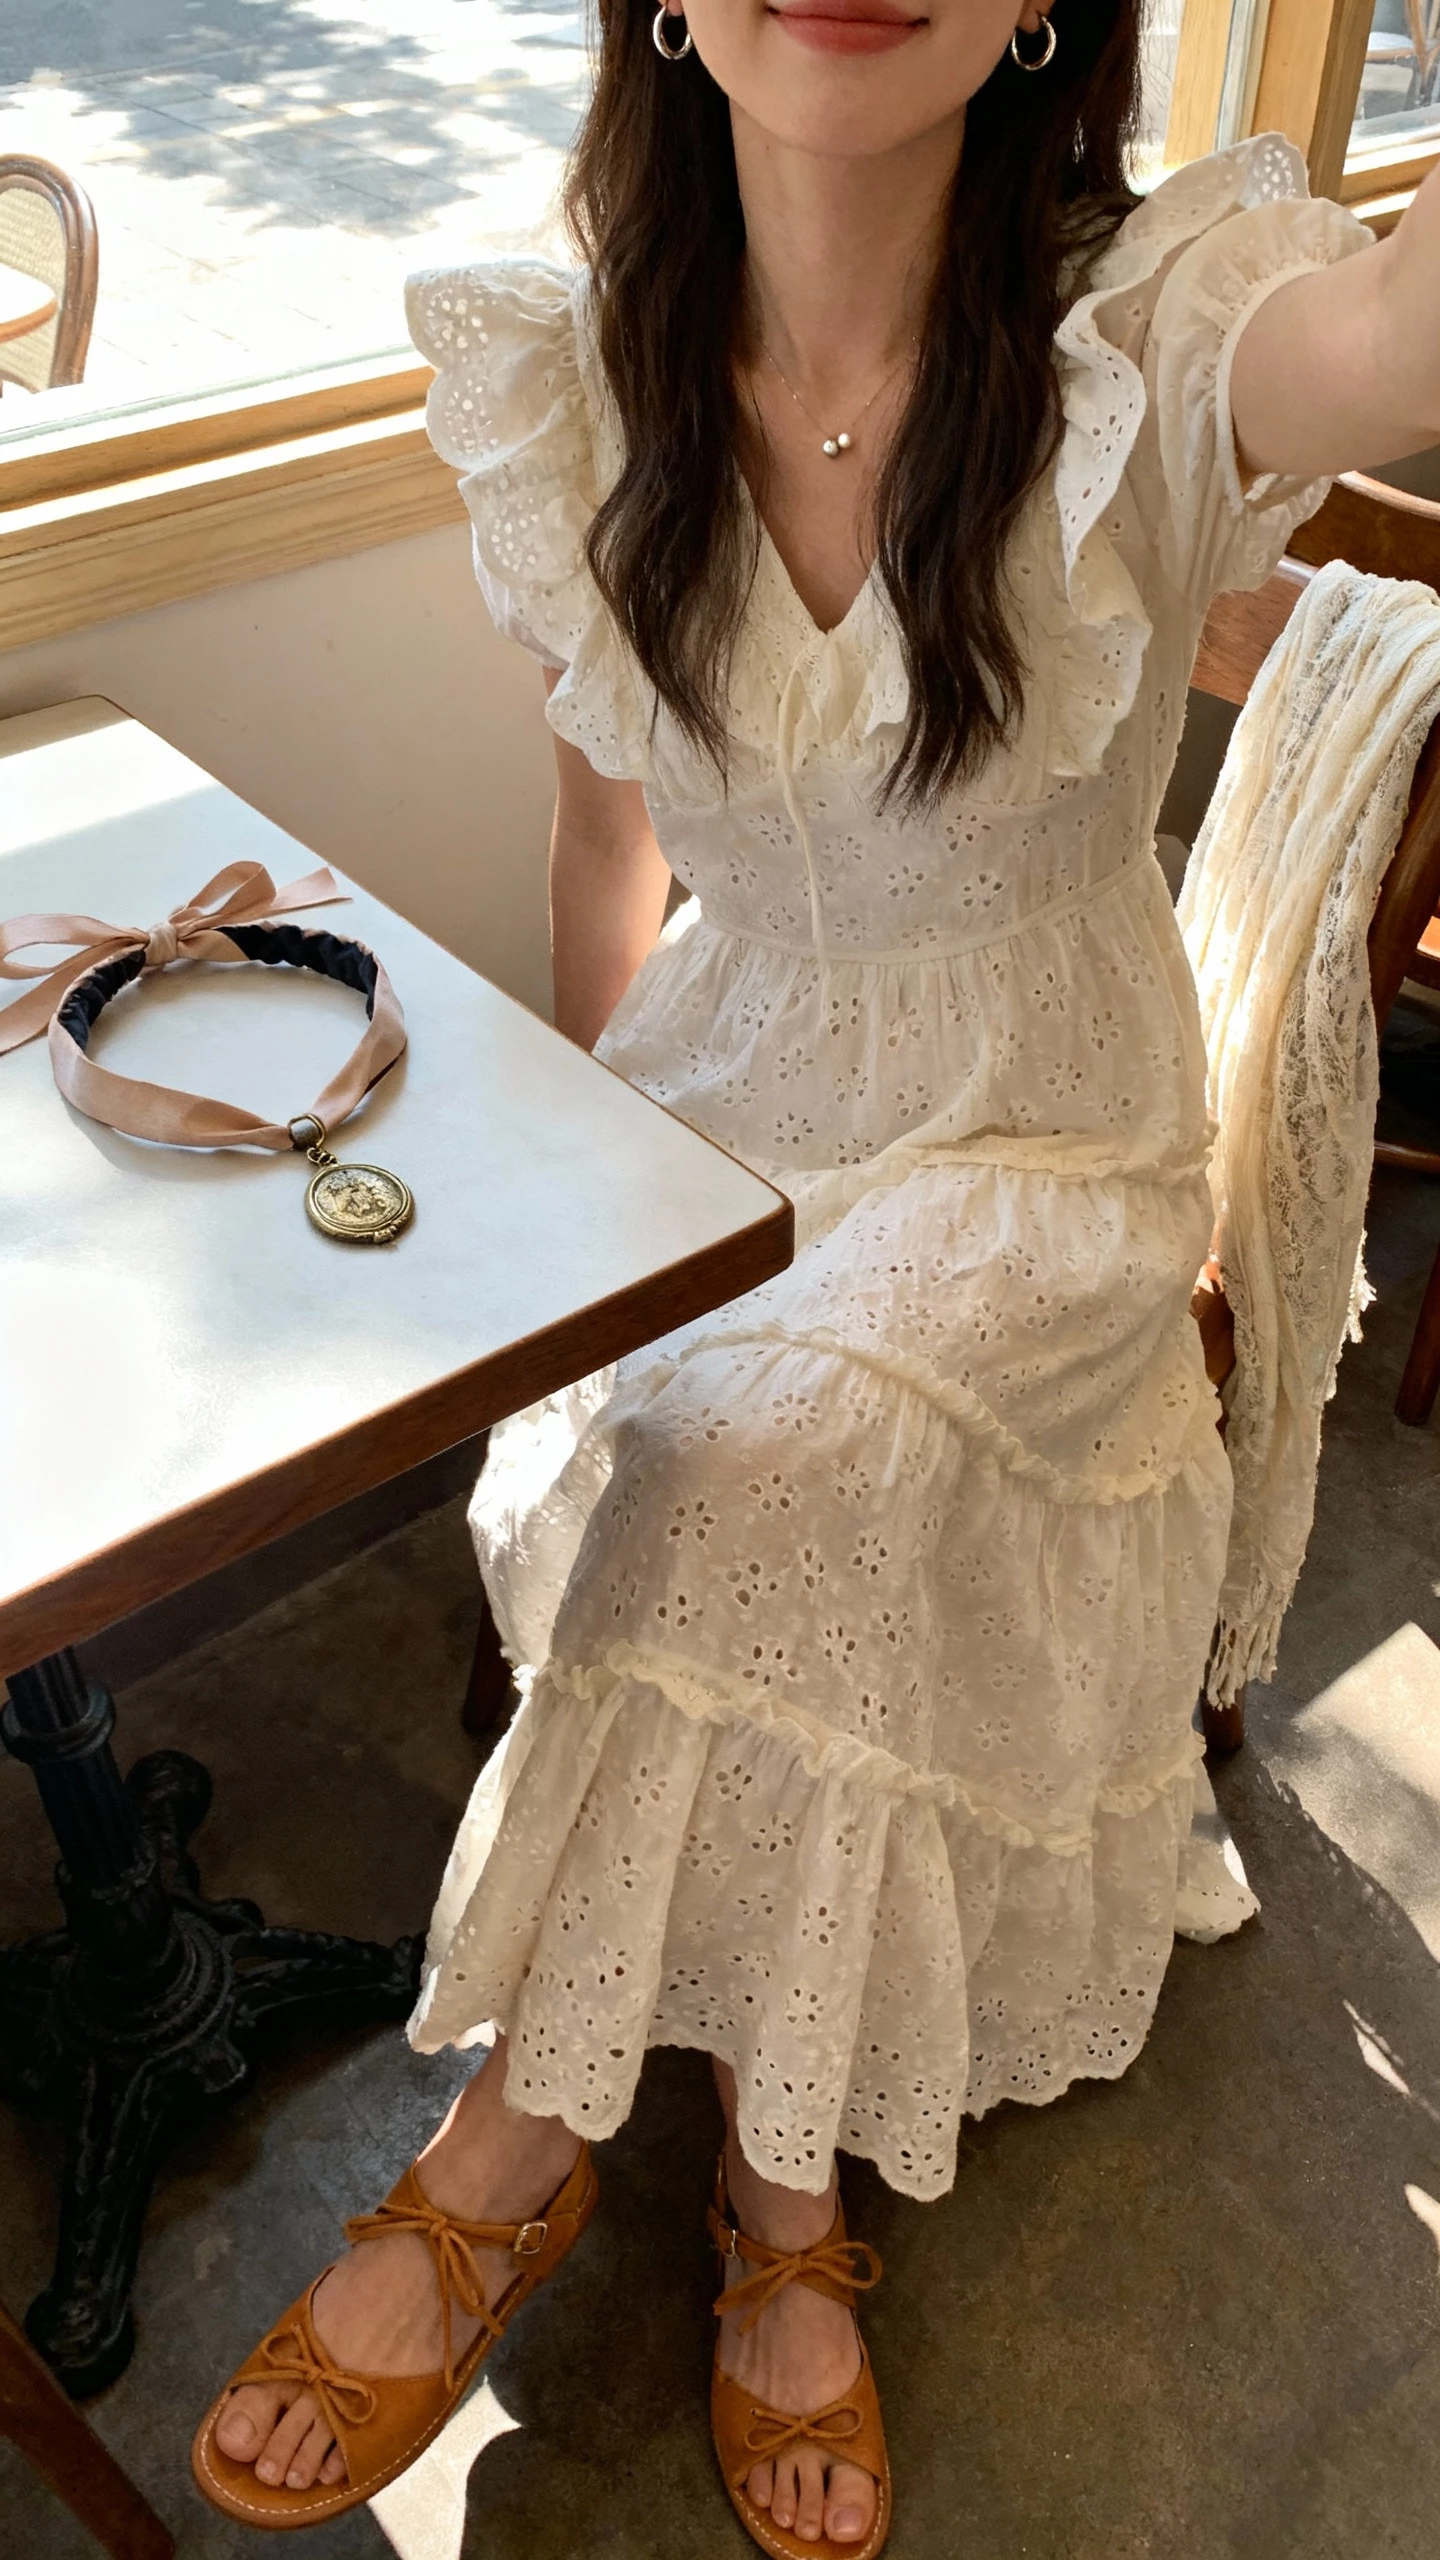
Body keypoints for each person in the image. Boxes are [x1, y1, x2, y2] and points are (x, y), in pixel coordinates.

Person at [192, 1, 1440, 2549]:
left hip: (1047, 1135)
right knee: (675, 1425)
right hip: (727, 1095)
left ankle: (559, 2162)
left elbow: (1398, 339)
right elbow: (606, 860)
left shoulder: (1156, 330)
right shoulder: (586, 375)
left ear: (1036, 12)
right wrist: (584, 1176)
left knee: (783, 1450)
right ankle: (763, 2200)